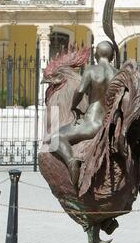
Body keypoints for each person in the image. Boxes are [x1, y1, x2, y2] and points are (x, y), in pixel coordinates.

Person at [48, 41, 117, 187]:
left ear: (97, 54)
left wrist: (73, 106)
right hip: (110, 122)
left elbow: (79, 91)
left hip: (92, 123)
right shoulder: (117, 74)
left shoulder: (92, 70)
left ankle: (72, 162)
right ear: (112, 56)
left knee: (55, 137)